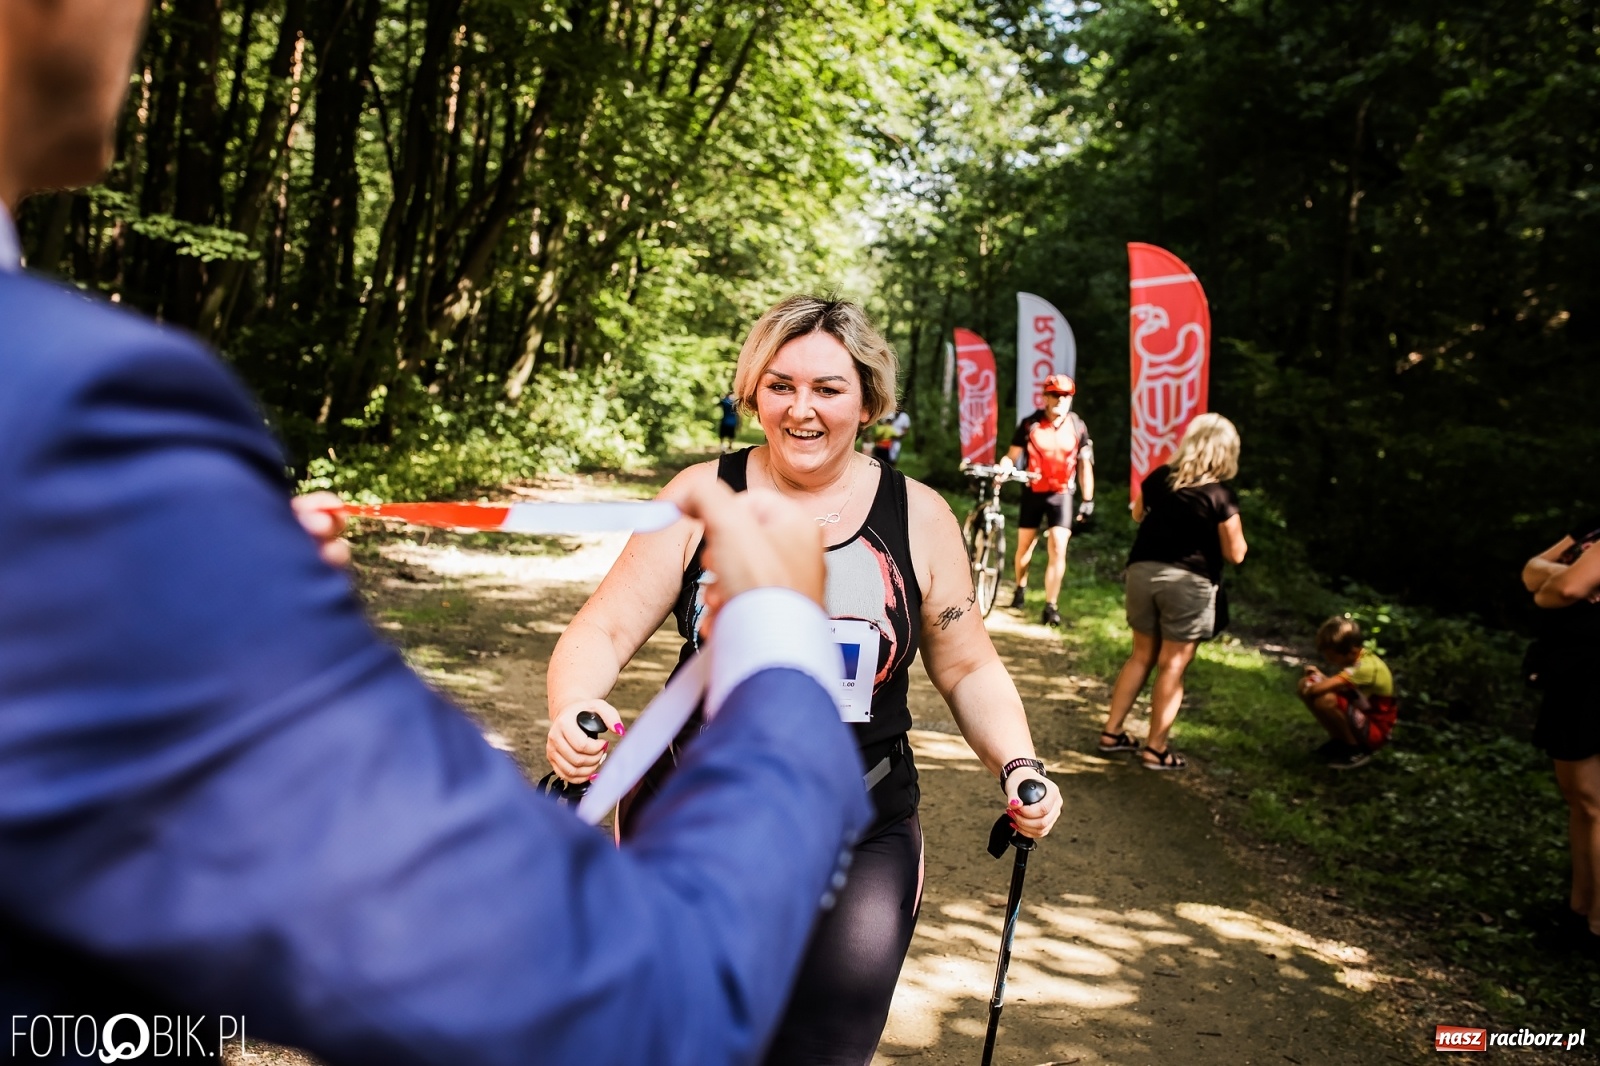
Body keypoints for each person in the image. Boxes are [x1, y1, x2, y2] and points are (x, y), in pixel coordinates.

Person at [0, 5, 875, 1063]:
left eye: (827, 386)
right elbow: (635, 1004)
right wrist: (782, 640)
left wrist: (229, 613)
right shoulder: (71, 410)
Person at [545, 294, 1063, 1066]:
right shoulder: (702, 499)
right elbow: (604, 629)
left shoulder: (916, 515)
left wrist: (1019, 764)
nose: (803, 409)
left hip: (861, 822)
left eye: (828, 388)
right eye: (781, 385)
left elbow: (967, 661)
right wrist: (575, 706)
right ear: (753, 390)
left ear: (868, 399)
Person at [1098, 413, 1247, 770]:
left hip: (1142, 572)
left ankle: (1112, 733)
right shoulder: (1220, 495)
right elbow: (1236, 553)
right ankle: (1155, 749)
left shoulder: (1160, 478)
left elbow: (1137, 515)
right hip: (1188, 582)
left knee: (1140, 656)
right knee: (1173, 664)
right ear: (1226, 452)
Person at [1522, 517, 1600, 948]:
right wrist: (1567, 577)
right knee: (1580, 799)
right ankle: (1578, 909)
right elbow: (1532, 572)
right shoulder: (1591, 527)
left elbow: (1562, 592)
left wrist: (1566, 581)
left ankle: (1595, 926)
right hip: (1571, 672)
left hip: (1593, 676)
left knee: (1594, 803)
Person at [1000, 374, 1094, 627]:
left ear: (1070, 398)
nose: (1059, 400)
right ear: (1045, 397)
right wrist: (1003, 468)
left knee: (1058, 546)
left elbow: (1085, 464)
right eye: (1054, 394)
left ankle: (1051, 606)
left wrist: (1088, 499)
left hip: (1061, 494)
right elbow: (1012, 455)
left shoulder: (1077, 425)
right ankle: (1020, 587)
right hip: (1033, 491)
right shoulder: (1030, 423)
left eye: (1065, 396)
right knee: (1024, 547)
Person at [1295, 617, 1399, 770]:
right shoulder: (1358, 660)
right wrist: (1315, 681)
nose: (1329, 661)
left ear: (1352, 652)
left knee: (1325, 699)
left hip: (1376, 730)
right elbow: (1343, 690)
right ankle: (1339, 741)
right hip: (1363, 716)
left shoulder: (1365, 668)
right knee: (1307, 685)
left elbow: (1319, 690)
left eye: (1331, 657)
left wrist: (1313, 686)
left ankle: (1354, 750)